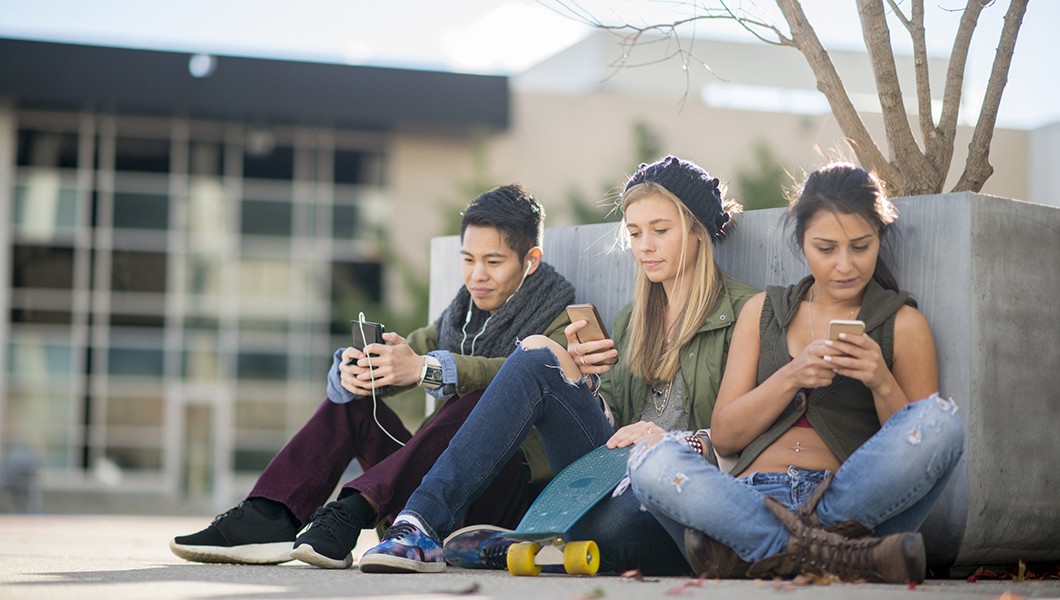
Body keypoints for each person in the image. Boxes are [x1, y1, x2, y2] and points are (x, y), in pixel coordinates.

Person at [356, 155, 759, 574]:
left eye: (660, 231)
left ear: (697, 231)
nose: (644, 246)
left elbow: (754, 434)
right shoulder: (633, 317)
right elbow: (612, 424)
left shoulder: (746, 311)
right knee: (538, 352)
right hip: (608, 474)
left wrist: (673, 440)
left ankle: (535, 544)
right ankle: (418, 523)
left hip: (670, 490)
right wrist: (584, 382)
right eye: (635, 233)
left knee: (620, 527)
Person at [170, 184, 576, 568]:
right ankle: (271, 515)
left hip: (499, 500)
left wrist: (428, 368)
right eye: (468, 260)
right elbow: (408, 355)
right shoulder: (459, 316)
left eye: (493, 261)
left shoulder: (563, 322)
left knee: (475, 400)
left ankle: (353, 509)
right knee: (357, 400)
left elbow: (520, 373)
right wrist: (360, 370)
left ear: (531, 260)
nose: (477, 276)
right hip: (421, 489)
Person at [627, 162, 965, 584]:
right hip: (748, 502)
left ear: (879, 238)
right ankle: (837, 557)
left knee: (941, 422)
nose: (845, 265)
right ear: (802, 242)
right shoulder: (762, 312)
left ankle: (757, 553)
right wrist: (792, 376)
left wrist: (880, 380)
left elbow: (915, 440)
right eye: (826, 249)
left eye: (860, 247)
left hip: (847, 504)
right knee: (647, 457)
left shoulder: (902, 323)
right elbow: (727, 434)